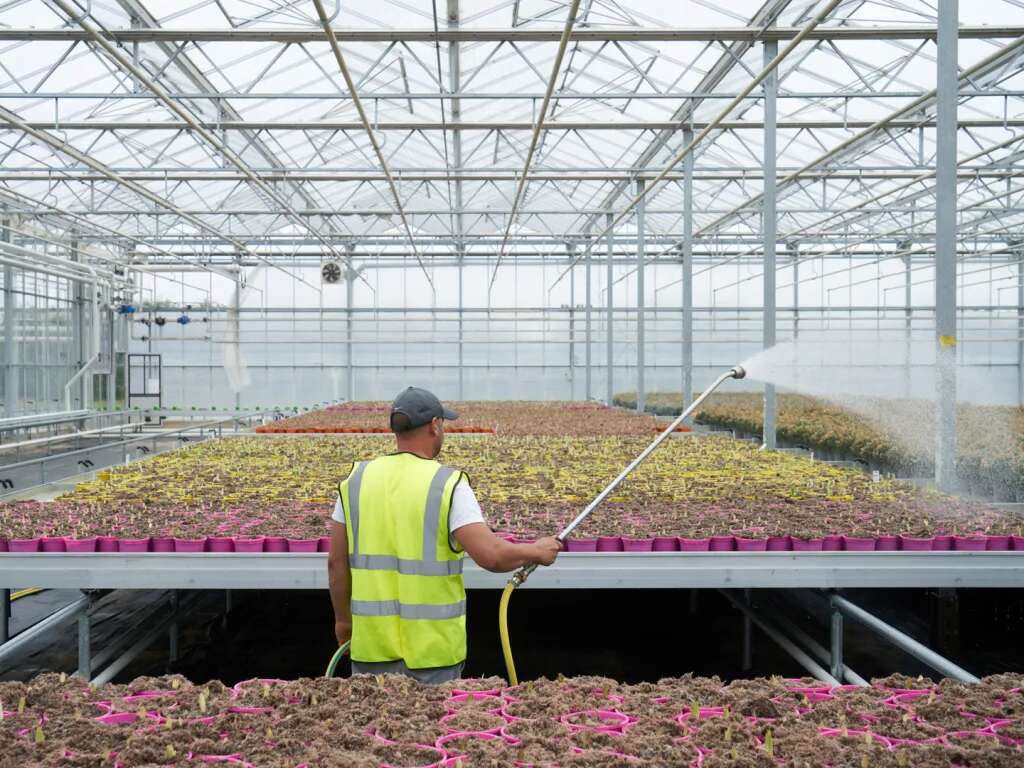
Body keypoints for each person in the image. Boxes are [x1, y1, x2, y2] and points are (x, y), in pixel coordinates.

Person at [327, 387, 562, 684]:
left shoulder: (356, 480)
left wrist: (343, 622)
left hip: (371, 651)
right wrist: (536, 551)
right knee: (431, 728)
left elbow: (336, 563)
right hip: (432, 655)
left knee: (376, 729)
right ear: (435, 425)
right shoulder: (447, 484)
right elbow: (491, 556)